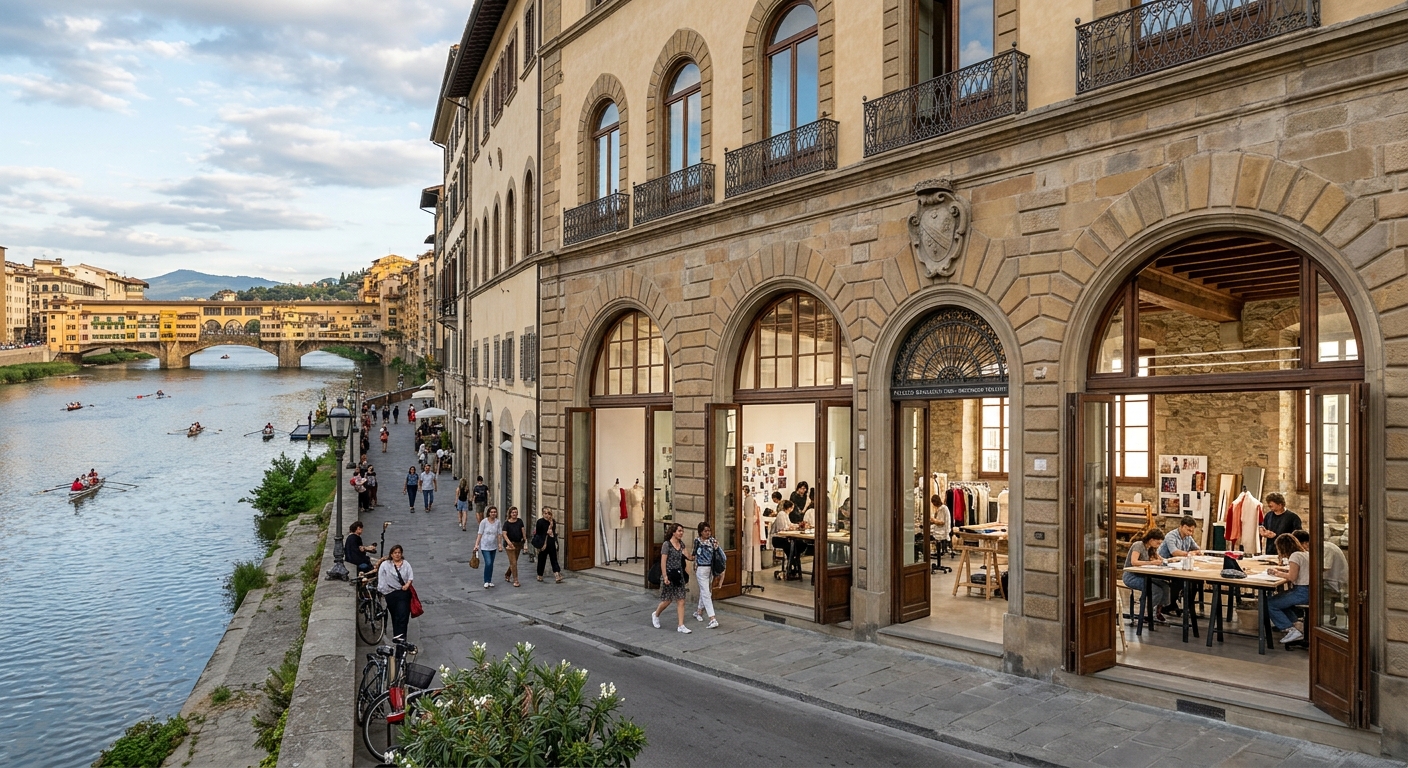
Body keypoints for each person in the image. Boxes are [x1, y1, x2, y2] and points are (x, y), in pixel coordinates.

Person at [1268, 533, 1311, 645]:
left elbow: (1292, 577)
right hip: (1309, 590)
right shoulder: (1305, 553)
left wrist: (1277, 573)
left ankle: (1289, 629)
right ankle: (1296, 624)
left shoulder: (1294, 556)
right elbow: (1298, 571)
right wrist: (1282, 571)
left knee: (1270, 603)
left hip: (1302, 591)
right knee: (1280, 600)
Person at [652, 523, 693, 634]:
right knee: (667, 600)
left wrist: (698, 555)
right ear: (673, 532)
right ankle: (656, 614)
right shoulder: (667, 545)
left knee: (681, 600)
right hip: (669, 575)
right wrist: (665, 576)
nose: (681, 533)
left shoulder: (681, 544)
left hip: (678, 575)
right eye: (679, 531)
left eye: (682, 531)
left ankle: (681, 625)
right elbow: (663, 561)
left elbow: (688, 556)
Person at [1123, 529, 1171, 624]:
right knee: (1156, 590)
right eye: (1157, 543)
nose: (1158, 545)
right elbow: (1134, 562)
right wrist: (1151, 563)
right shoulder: (1138, 545)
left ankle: (1158, 611)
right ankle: (1146, 613)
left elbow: (1161, 559)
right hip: (1132, 576)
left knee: (1165, 587)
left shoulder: (1151, 548)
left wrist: (1171, 561)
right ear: (1151, 539)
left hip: (1144, 575)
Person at [377, 545, 415, 641]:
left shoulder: (406, 564)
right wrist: (383, 591)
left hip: (403, 593)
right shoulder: (385, 565)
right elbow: (381, 579)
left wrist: (407, 585)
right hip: (390, 593)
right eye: (395, 553)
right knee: (395, 615)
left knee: (403, 614)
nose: (397, 554)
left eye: (399, 552)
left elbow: (410, 577)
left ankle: (402, 637)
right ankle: (397, 635)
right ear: (391, 554)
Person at [691, 522, 721, 628]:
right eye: (705, 531)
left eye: (709, 530)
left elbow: (718, 554)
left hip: (710, 568)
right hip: (701, 568)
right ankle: (712, 618)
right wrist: (694, 564)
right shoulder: (697, 541)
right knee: (706, 593)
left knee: (706, 591)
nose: (708, 533)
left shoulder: (712, 541)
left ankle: (699, 611)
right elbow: (694, 553)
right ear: (700, 532)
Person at [475, 506, 503, 589]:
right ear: (489, 513)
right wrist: (476, 544)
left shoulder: (498, 522)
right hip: (484, 546)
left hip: (493, 546)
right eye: (492, 512)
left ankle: (489, 580)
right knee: (488, 562)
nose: (493, 513)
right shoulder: (484, 522)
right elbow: (480, 533)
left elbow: (499, 534)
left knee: (491, 564)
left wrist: (499, 544)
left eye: (495, 512)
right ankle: (486, 581)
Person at [535, 507, 563, 583]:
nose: (547, 515)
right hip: (543, 543)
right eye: (545, 513)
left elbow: (553, 532)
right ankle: (539, 575)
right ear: (543, 514)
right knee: (541, 560)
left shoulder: (553, 521)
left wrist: (551, 527)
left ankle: (557, 575)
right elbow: (538, 533)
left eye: (549, 513)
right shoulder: (540, 522)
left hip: (551, 542)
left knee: (554, 559)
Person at [502, 507, 526, 587]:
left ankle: (507, 574)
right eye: (513, 512)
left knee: (514, 561)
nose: (514, 514)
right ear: (510, 514)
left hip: (518, 544)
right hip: (510, 545)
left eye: (516, 512)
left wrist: (525, 542)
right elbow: (504, 534)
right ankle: (516, 580)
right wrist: (509, 543)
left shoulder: (520, 521)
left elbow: (523, 531)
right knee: (514, 562)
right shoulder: (507, 523)